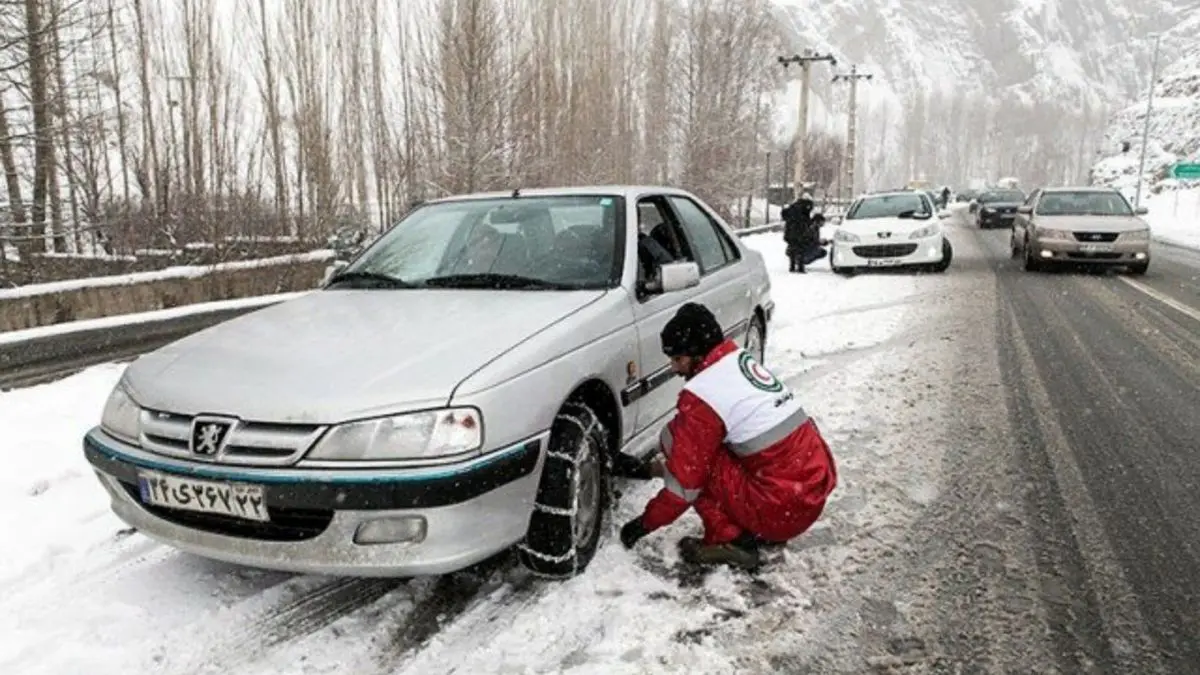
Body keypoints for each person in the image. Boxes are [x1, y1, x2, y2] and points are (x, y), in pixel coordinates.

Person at [618, 303, 838, 569]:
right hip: (806, 495)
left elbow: (686, 484)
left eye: (678, 359)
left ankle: (731, 541)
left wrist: (641, 525)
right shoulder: (737, 361)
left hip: (780, 508)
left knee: (675, 439)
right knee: (697, 447)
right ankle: (759, 525)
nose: (674, 368)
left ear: (697, 354)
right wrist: (650, 469)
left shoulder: (703, 394)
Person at [781, 193, 814, 273]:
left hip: (790, 232)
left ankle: (792, 266)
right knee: (800, 250)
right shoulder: (805, 207)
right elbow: (806, 220)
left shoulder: (793, 206)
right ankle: (800, 267)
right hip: (799, 232)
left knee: (792, 249)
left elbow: (784, 214)